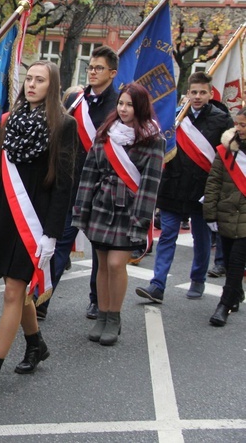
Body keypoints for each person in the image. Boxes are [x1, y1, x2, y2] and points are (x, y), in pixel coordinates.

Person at [0, 61, 76, 397]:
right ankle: (36, 344)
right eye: (29, 78)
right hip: (8, 217)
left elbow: (64, 184)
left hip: (37, 221)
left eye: (40, 80)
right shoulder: (9, 120)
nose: (31, 85)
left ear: (52, 86)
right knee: (17, 287)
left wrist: (52, 234)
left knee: (14, 291)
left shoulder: (63, 125)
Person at [72, 83, 165, 345]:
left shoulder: (153, 139)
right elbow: (89, 174)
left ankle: (114, 316)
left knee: (116, 264)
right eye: (121, 104)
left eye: (129, 105)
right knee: (102, 265)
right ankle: (102, 315)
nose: (123, 109)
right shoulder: (106, 133)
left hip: (129, 210)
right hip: (101, 207)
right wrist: (82, 210)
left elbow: (150, 186)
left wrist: (140, 222)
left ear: (141, 108)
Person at [136, 72, 232, 304]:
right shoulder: (175, 117)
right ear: (187, 93)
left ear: (210, 93)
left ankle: (198, 278)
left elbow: (225, 160)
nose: (197, 97)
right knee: (168, 234)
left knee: (201, 238)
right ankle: (157, 284)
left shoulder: (221, 120)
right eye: (194, 92)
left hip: (202, 191)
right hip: (173, 187)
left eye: (202, 92)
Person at [42, 47, 120, 322]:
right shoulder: (77, 100)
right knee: (60, 240)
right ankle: (43, 299)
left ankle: (96, 300)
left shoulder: (119, 104)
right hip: (73, 180)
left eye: (99, 68)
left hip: (101, 184)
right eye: (91, 67)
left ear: (112, 73)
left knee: (99, 245)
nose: (93, 72)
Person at [203, 109, 246, 326]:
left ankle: (224, 305)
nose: (239, 129)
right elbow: (214, 182)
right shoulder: (226, 150)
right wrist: (210, 213)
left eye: (244, 125)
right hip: (226, 213)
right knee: (229, 260)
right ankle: (236, 293)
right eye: (237, 124)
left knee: (238, 261)